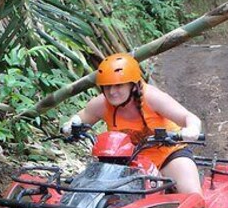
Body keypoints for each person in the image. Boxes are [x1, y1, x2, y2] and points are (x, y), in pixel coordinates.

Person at [62, 53, 204, 196]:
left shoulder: (152, 97)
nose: (112, 92)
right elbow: (82, 117)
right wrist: (71, 125)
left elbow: (189, 117)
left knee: (192, 196)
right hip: (126, 162)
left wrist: (192, 129)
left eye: (119, 85)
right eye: (107, 86)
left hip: (168, 155)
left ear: (134, 85)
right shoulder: (102, 104)